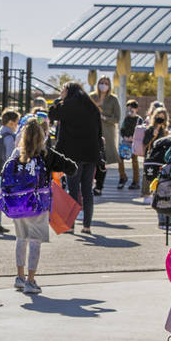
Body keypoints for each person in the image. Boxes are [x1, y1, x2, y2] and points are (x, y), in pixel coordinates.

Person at [5, 118, 76, 293]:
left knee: (21, 239)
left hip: (18, 204)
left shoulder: (16, 154)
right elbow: (72, 168)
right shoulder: (46, 154)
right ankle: (31, 280)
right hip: (38, 205)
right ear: (42, 136)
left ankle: (19, 277)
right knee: (35, 242)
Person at [49, 81, 104, 234]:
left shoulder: (67, 105)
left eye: (63, 90)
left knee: (73, 190)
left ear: (67, 90)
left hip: (73, 155)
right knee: (87, 190)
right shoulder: (92, 107)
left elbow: (52, 114)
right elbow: (99, 132)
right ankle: (87, 226)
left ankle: (71, 225)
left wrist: (60, 99)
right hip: (91, 154)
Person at [92, 76, 122, 190]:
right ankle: (91, 182)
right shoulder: (91, 97)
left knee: (102, 160)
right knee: (91, 160)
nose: (103, 85)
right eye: (101, 82)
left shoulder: (113, 99)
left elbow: (117, 118)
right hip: (92, 132)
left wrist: (104, 117)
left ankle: (99, 185)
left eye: (106, 83)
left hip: (107, 133)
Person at [139, 109, 169, 197]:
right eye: (158, 116)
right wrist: (153, 136)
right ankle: (145, 193)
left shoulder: (165, 130)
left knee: (160, 173)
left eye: (163, 117)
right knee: (148, 173)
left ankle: (157, 193)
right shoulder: (150, 129)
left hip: (161, 155)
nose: (160, 118)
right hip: (150, 154)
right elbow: (145, 143)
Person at [120, 99, 142, 189]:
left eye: (131, 109)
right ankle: (122, 177)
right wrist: (125, 137)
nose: (129, 111)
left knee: (134, 161)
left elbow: (141, 131)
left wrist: (134, 138)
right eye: (128, 109)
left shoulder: (139, 119)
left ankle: (136, 181)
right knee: (120, 159)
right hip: (126, 142)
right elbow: (122, 129)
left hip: (134, 143)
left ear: (136, 109)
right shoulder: (126, 119)